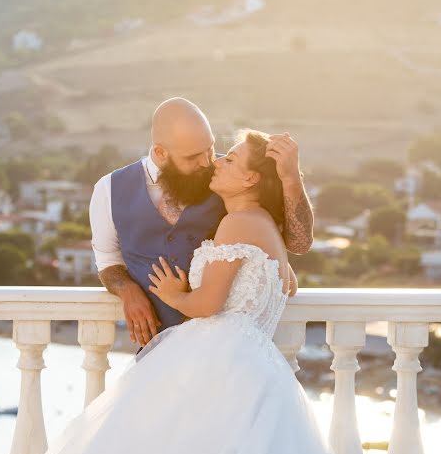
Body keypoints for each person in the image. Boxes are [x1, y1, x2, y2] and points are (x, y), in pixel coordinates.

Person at [36, 130, 338, 454]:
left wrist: (173, 295)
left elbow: (208, 305)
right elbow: (288, 284)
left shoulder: (237, 223)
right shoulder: (263, 224)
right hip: (254, 363)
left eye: (230, 158)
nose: (218, 162)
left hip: (219, 358)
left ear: (251, 178)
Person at [89, 97, 314, 348]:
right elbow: (108, 261)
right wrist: (127, 291)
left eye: (211, 148)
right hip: (157, 351)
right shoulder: (108, 190)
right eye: (194, 156)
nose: (208, 162)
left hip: (216, 352)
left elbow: (296, 245)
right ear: (160, 152)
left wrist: (291, 179)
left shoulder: (228, 178)